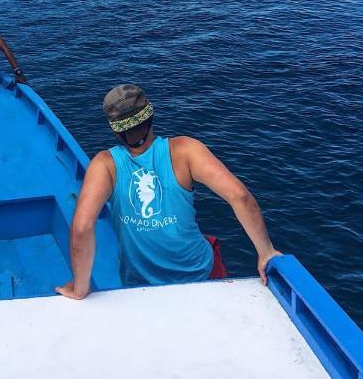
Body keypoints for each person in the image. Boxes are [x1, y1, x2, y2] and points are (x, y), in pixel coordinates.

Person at [55, 83, 282, 300]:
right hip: (201, 273)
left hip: (142, 286)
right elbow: (240, 196)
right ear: (151, 116)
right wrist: (266, 252)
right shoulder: (186, 151)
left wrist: (80, 288)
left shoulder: (105, 165)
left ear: (115, 131)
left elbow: (83, 227)